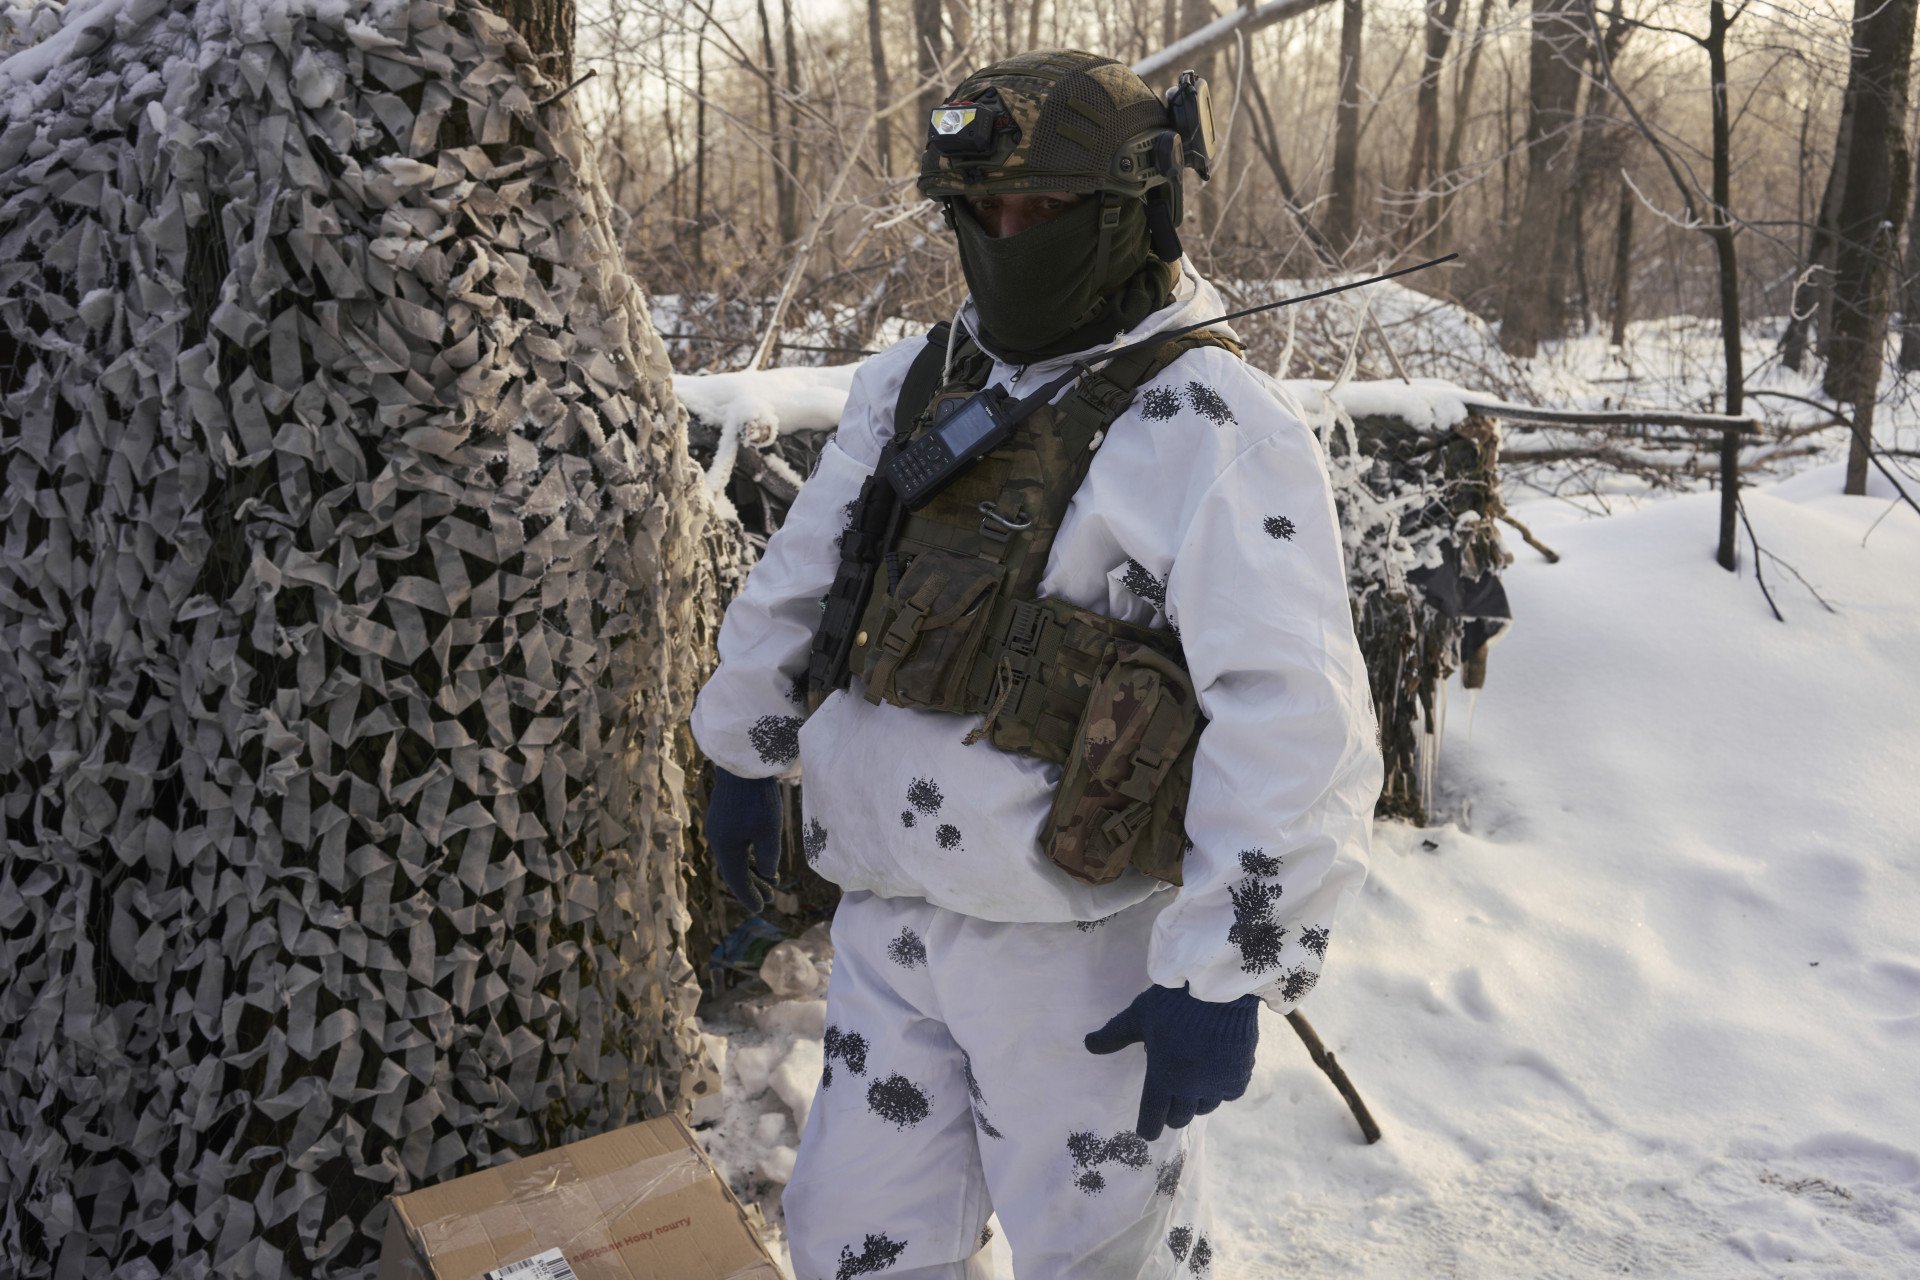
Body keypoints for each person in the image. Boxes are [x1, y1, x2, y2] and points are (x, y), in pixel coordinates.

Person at [691, 48, 1382, 1280]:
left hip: (1074, 950)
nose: (1009, 234)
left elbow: (1296, 717)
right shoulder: (919, 380)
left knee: (1106, 1256)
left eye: (1046, 211)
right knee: (856, 1239)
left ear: (1138, 213)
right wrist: (738, 746)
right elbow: (809, 572)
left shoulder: (1211, 421)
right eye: (982, 210)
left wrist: (1227, 967)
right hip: (887, 918)